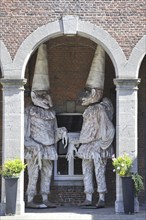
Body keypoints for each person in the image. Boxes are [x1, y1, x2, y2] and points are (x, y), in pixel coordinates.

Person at [67, 45, 115, 208]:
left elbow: (109, 129)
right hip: (87, 145)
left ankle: (101, 197)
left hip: (97, 146)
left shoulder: (100, 108)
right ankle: (88, 197)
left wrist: (102, 144)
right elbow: (87, 130)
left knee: (99, 171)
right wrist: (79, 140)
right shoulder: (89, 110)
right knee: (86, 170)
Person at [24, 44, 67, 208]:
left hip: (48, 147)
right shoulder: (29, 111)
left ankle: (44, 197)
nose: (47, 98)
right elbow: (24, 134)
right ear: (35, 95)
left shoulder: (51, 113)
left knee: (47, 173)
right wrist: (31, 145)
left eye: (47, 94)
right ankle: (29, 199)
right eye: (43, 95)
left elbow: (53, 132)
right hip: (35, 148)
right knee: (33, 174)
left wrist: (60, 132)